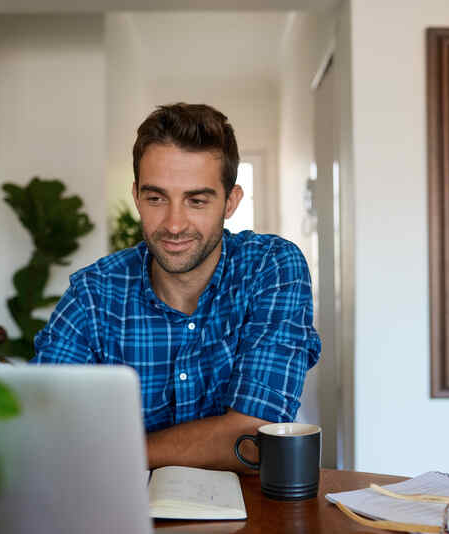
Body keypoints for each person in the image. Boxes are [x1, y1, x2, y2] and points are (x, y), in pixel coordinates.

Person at [32, 103, 320, 472]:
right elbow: (44, 429)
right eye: (156, 198)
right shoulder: (93, 293)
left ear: (230, 202)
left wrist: (108, 453)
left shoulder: (272, 267)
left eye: (196, 200)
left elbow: (254, 439)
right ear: (136, 196)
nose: (173, 224)